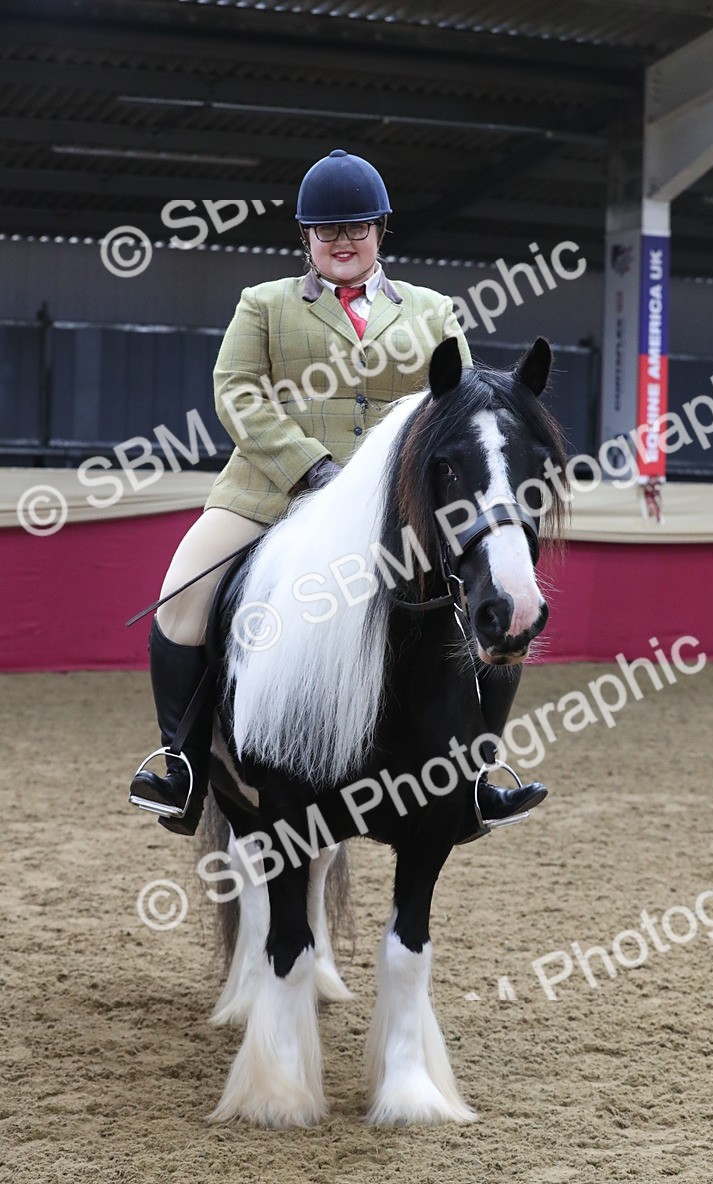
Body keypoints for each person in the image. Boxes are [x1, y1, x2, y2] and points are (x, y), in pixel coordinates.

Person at [129, 149, 546, 838]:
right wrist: (310, 466)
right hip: (271, 492)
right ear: (306, 238)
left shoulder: (433, 310)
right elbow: (236, 392)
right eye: (328, 231)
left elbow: (464, 408)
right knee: (181, 600)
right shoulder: (262, 305)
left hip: (397, 510)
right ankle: (183, 768)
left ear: (381, 230)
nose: (343, 241)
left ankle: (475, 777)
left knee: (498, 598)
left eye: (356, 227)